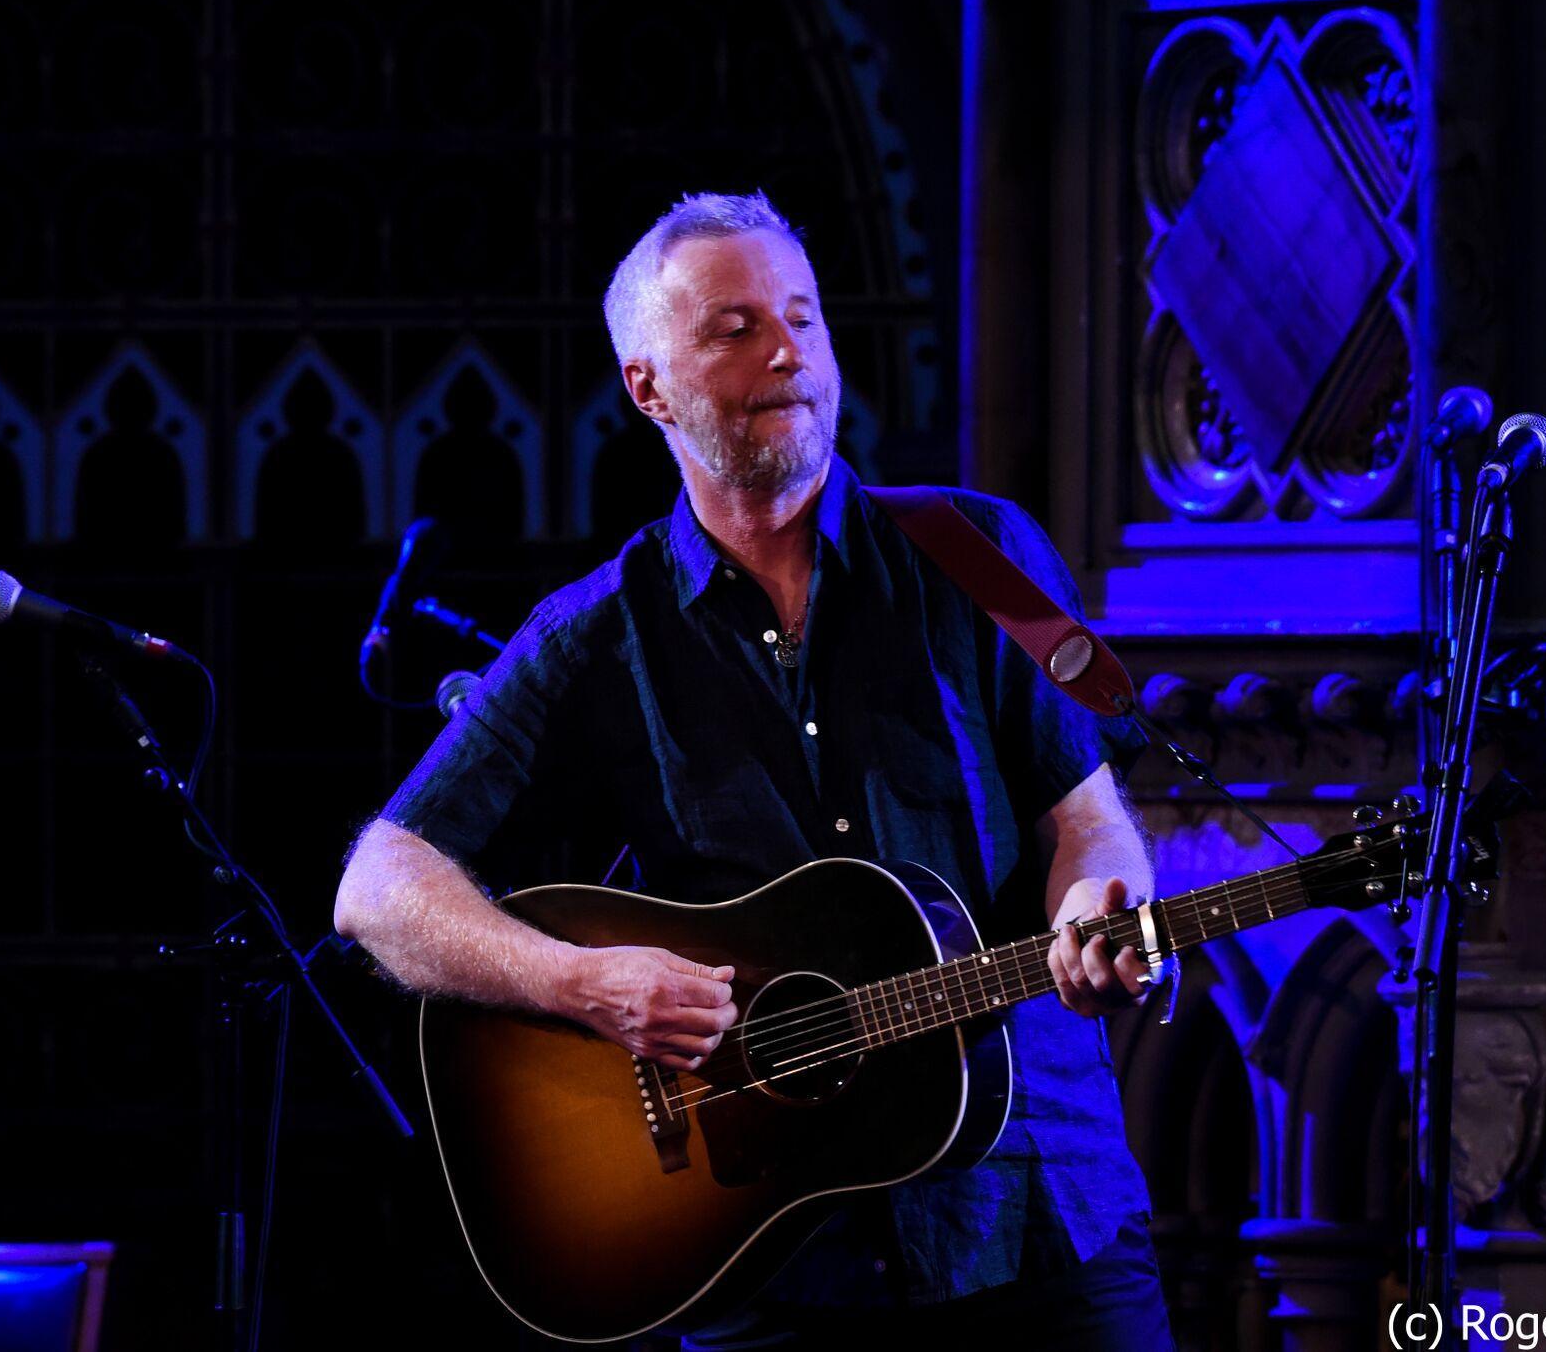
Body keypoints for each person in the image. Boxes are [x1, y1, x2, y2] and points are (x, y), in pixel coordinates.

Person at [333, 191, 1174, 1350]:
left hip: (1034, 1208)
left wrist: (1096, 900)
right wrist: (583, 985)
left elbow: (1086, 820)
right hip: (765, 1257)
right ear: (647, 386)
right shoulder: (593, 637)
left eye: (803, 318)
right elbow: (376, 888)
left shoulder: (975, 554)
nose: (786, 351)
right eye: (732, 329)